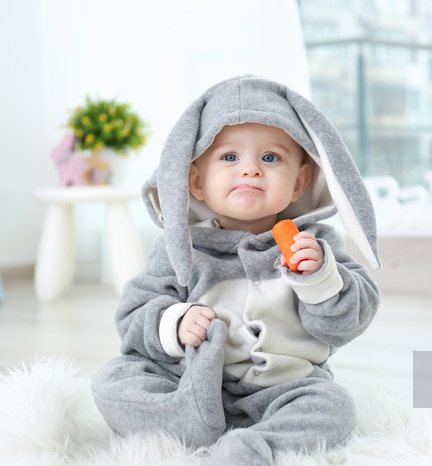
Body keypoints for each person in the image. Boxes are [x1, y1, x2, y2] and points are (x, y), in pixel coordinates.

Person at [91, 75, 382, 465]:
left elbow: (347, 323)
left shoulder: (315, 243)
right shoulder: (182, 248)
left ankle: (252, 448)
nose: (250, 170)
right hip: (187, 384)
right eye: (230, 157)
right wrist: (174, 324)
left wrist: (321, 280)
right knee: (113, 379)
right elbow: (133, 314)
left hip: (282, 390)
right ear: (195, 180)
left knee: (334, 406)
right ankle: (188, 424)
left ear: (299, 183)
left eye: (270, 157)